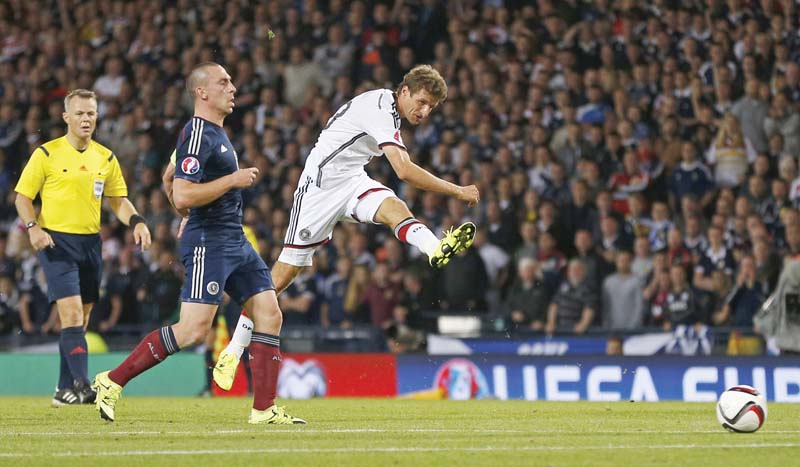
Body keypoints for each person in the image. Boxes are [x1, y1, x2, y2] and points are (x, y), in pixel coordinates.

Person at [212, 64, 480, 390]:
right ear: (404, 91)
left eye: (430, 108)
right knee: (279, 279)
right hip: (319, 189)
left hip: (352, 180)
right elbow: (404, 170)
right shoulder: (380, 108)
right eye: (421, 102)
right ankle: (234, 350)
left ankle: (434, 247)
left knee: (394, 207)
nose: (424, 111)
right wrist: (458, 190)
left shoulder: (391, 110)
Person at [92, 62, 305, 425]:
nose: (233, 88)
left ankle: (263, 409)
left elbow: (170, 179)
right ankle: (111, 380)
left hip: (234, 238)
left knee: (269, 314)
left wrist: (184, 211)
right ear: (201, 92)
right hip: (209, 241)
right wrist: (230, 182)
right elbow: (183, 191)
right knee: (192, 329)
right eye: (224, 82)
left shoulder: (215, 134)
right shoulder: (196, 132)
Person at [14, 89, 152, 407]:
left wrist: (138, 222)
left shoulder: (105, 157)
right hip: (55, 242)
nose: (86, 118)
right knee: (73, 313)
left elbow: (117, 200)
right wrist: (33, 228)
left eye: (91, 113)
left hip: (91, 244)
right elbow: (22, 198)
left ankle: (63, 389)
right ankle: (82, 384)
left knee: (81, 319)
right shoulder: (46, 154)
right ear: (66, 117)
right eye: (79, 113)